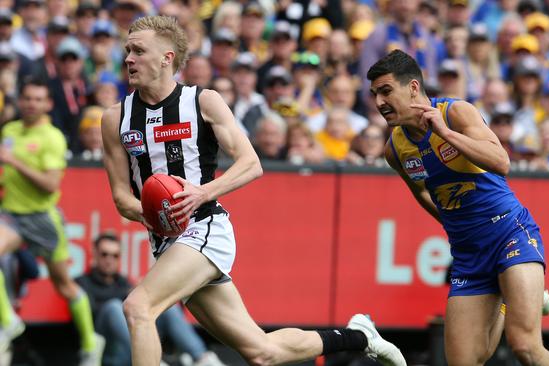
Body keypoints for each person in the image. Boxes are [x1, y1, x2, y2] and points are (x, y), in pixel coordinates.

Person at [101, 16, 406, 366]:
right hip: (168, 243)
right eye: (127, 50)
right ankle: (359, 335)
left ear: (167, 57)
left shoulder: (203, 101)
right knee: (262, 352)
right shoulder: (116, 118)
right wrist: (151, 211)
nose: (129, 58)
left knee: (138, 307)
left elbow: (251, 163)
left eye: (139, 50)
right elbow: (122, 197)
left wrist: (201, 194)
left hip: (204, 229)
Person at [368, 49, 549, 366]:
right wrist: (454, 224)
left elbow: (501, 162)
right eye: (375, 94)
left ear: (413, 88)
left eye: (386, 91)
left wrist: (445, 133)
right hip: (469, 254)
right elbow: (422, 191)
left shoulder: (456, 113)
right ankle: (507, 292)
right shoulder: (395, 150)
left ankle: (511, 289)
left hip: (509, 233)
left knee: (524, 345)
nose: (379, 103)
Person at [0, 78, 104, 366]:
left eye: (38, 99)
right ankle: (9, 323)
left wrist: (14, 162)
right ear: (20, 101)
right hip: (10, 215)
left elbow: (49, 184)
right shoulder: (9, 131)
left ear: (48, 104)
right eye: (27, 98)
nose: (31, 104)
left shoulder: (53, 137)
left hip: (42, 218)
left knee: (64, 285)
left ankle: (89, 341)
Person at [76, 232, 223, 366]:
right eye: (104, 254)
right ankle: (153, 360)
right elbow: (92, 317)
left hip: (132, 352)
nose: (109, 260)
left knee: (167, 307)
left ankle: (202, 358)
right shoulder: (82, 282)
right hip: (109, 352)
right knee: (113, 307)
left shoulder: (124, 282)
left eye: (115, 256)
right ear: (94, 254)